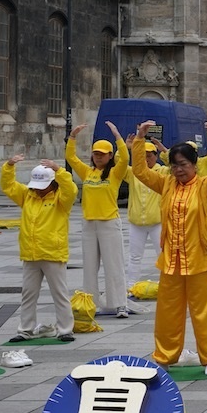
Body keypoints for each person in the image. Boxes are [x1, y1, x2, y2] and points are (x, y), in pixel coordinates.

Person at [129, 121, 207, 373]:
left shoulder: (206, 186)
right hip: (171, 261)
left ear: (194, 165)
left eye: (183, 165)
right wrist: (139, 140)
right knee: (167, 313)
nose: (178, 170)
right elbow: (141, 172)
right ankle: (164, 357)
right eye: (174, 165)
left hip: (200, 259)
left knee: (204, 313)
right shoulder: (165, 184)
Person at [1, 157, 78, 343]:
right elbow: (8, 185)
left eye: (43, 185)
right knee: (28, 293)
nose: (38, 188)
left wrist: (59, 170)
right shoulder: (27, 195)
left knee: (59, 293)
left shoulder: (61, 199)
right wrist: (9, 166)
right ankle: (25, 329)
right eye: (36, 185)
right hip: (30, 253)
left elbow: (71, 189)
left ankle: (65, 329)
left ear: (53, 184)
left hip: (53, 252)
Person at [66, 122, 130, 317]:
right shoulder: (87, 172)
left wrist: (118, 136)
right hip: (89, 224)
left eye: (102, 153)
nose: (98, 156)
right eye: (96, 153)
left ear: (110, 155)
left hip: (109, 223)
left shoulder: (114, 173)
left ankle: (120, 304)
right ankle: (90, 303)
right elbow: (70, 157)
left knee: (114, 265)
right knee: (90, 267)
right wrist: (73, 136)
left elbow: (125, 158)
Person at [125, 138, 166, 288]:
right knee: (134, 256)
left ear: (155, 156)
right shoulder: (134, 172)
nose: (147, 158)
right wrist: (128, 148)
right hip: (137, 222)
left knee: (162, 254)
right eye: (143, 155)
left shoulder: (161, 171)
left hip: (157, 222)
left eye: (150, 155)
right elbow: (120, 163)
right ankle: (131, 284)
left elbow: (173, 165)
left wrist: (164, 151)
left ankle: (165, 283)